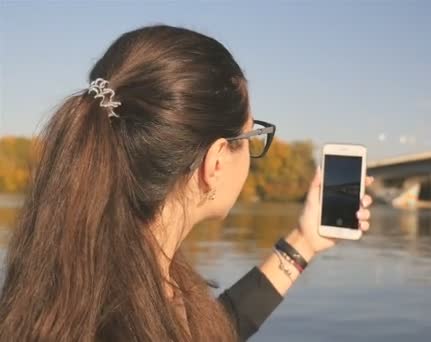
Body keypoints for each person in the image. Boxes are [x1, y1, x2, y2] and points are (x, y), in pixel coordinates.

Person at [0, 24, 373, 341]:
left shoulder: (94, 274)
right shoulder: (125, 311)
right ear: (215, 162)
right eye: (251, 138)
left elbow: (212, 328)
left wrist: (304, 242)